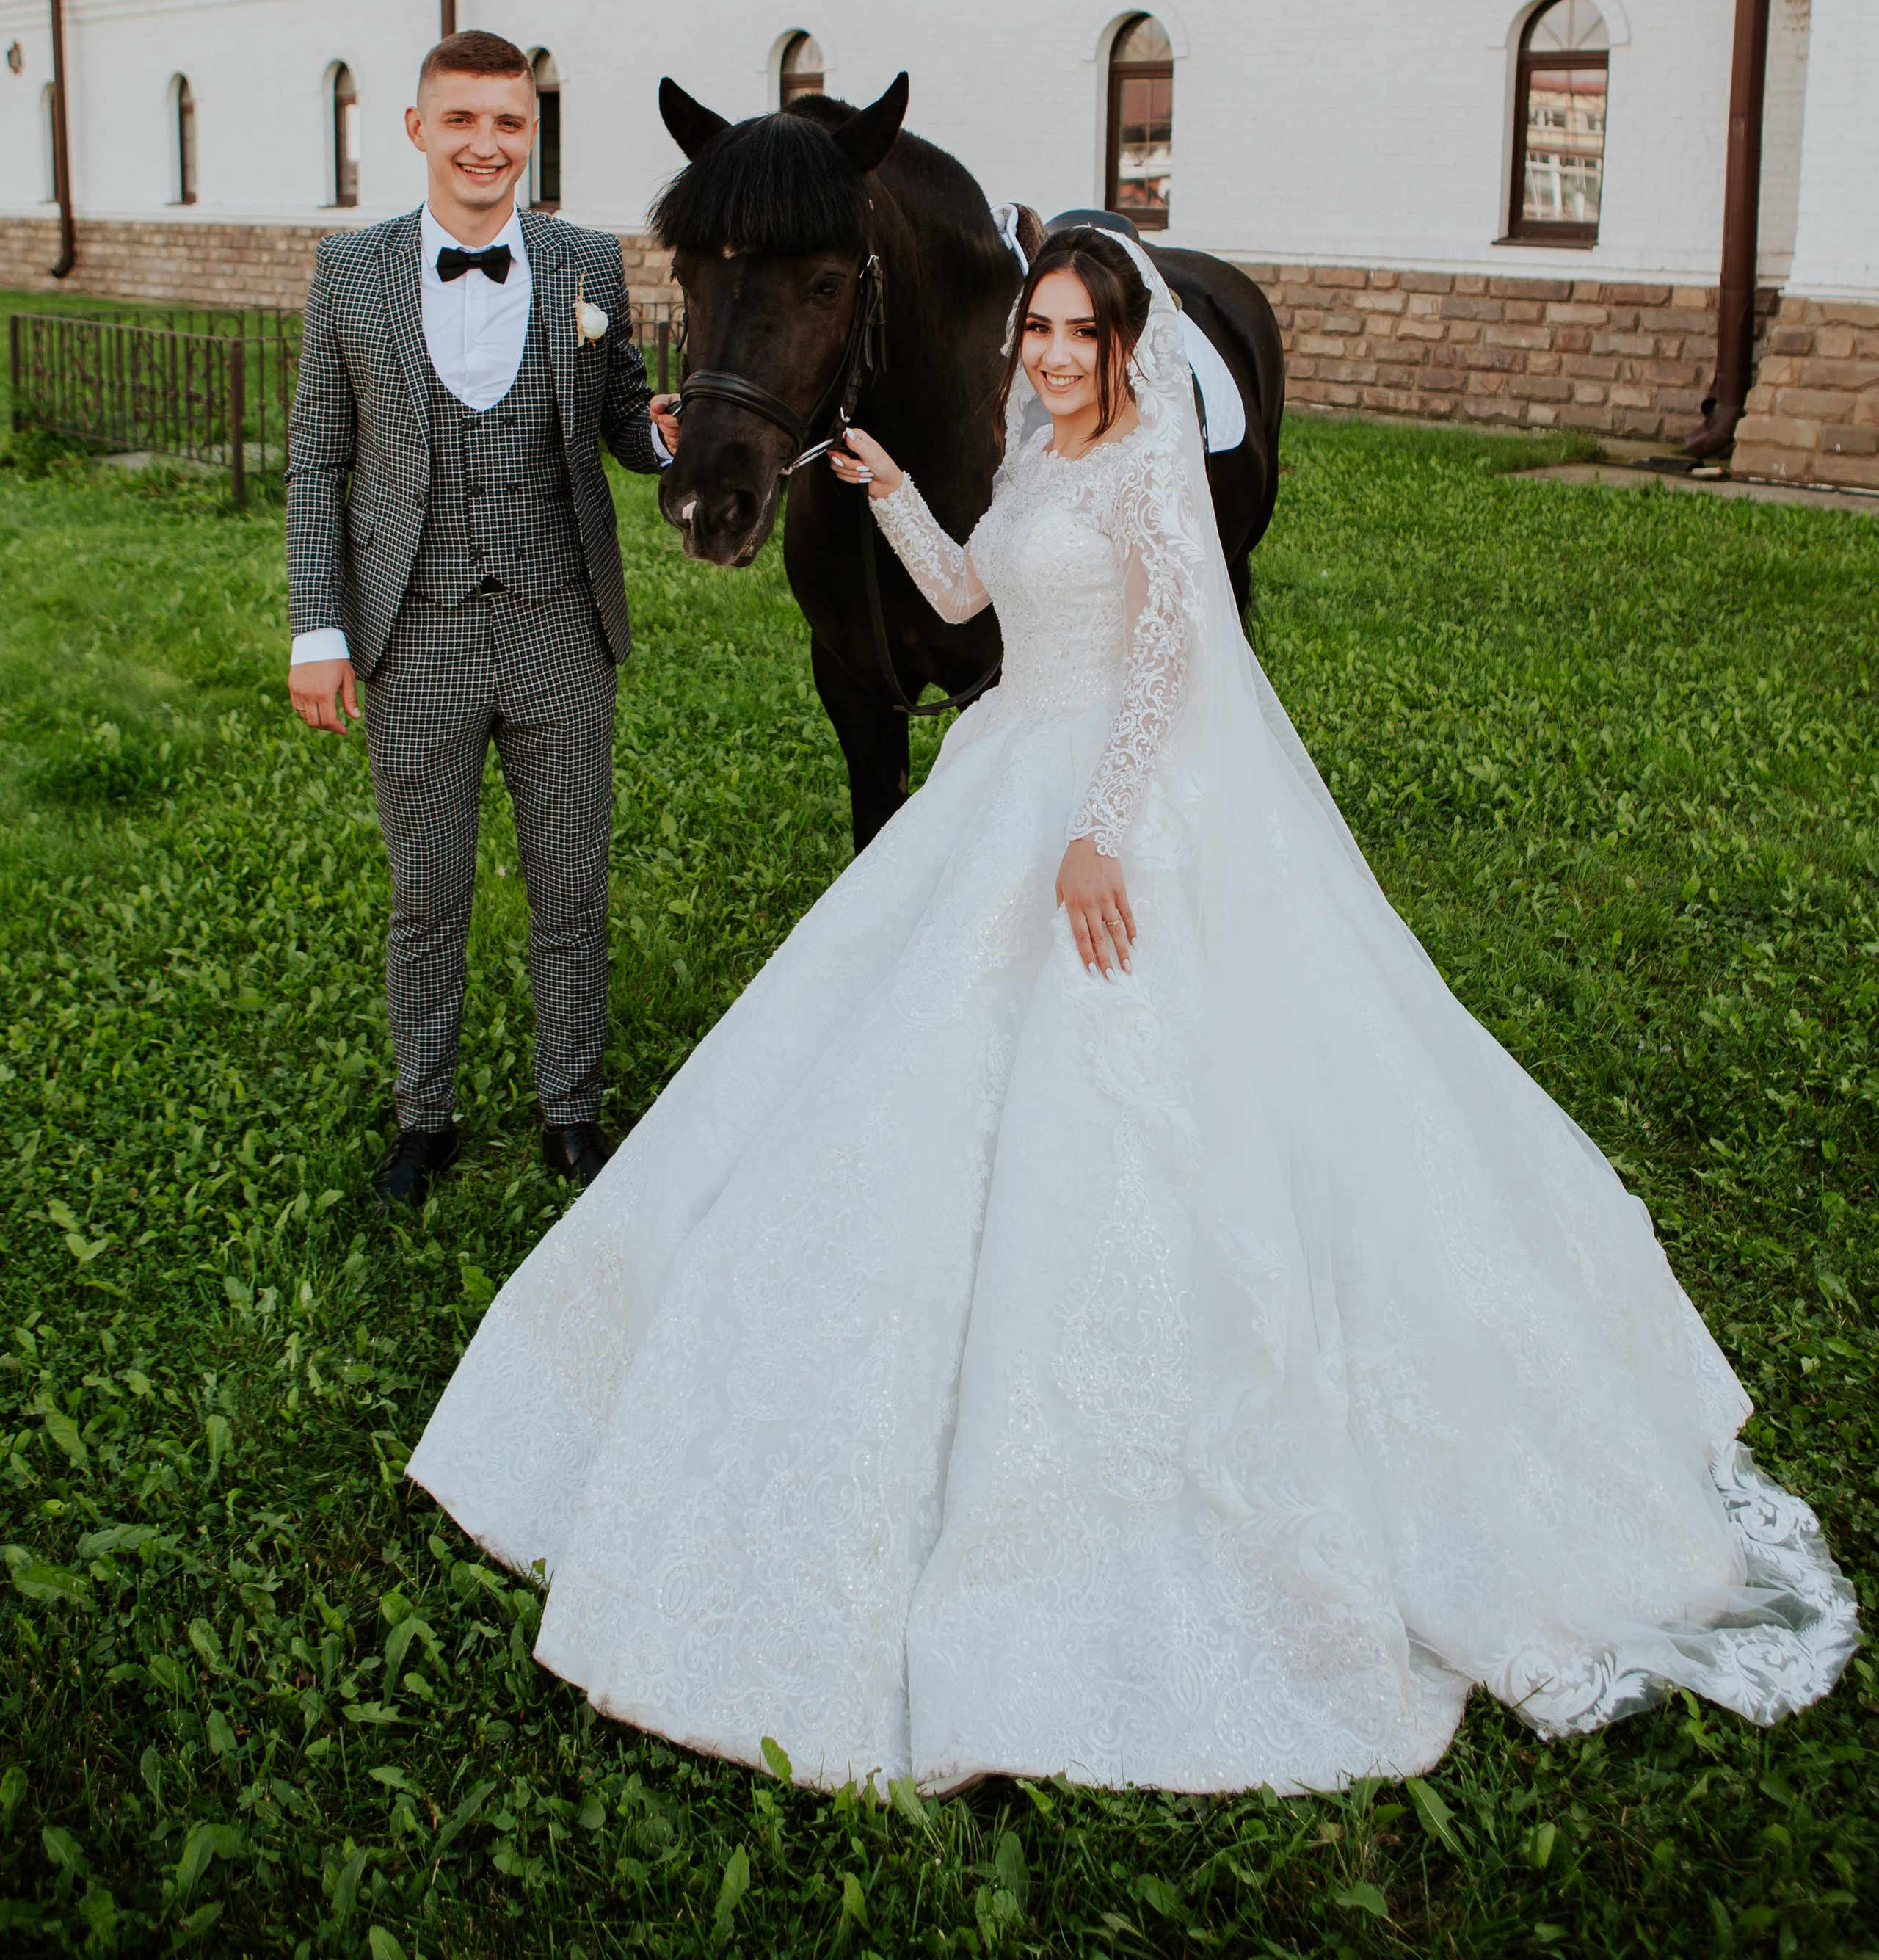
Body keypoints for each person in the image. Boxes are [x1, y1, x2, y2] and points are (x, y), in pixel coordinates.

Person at [407, 226, 1855, 1793]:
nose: (1047, 355)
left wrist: (1100, 832)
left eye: (1076, 335)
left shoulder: (1147, 466)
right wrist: (893, 494)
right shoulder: (1027, 463)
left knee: (1124, 1099)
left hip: (1105, 800)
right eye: (1035, 329)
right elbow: (975, 597)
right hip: (1009, 767)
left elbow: (1163, 654)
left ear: (1122, 347)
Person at [286, 30, 677, 1208]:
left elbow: (619, 425)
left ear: (532, 135)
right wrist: (320, 628)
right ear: (416, 130)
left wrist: (660, 433)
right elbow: (318, 459)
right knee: (428, 896)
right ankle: (426, 1117)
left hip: (562, 625)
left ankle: (570, 1110)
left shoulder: (584, 266)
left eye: (509, 123)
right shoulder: (349, 274)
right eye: (461, 120)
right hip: (413, 633)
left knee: (571, 888)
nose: (486, 144)